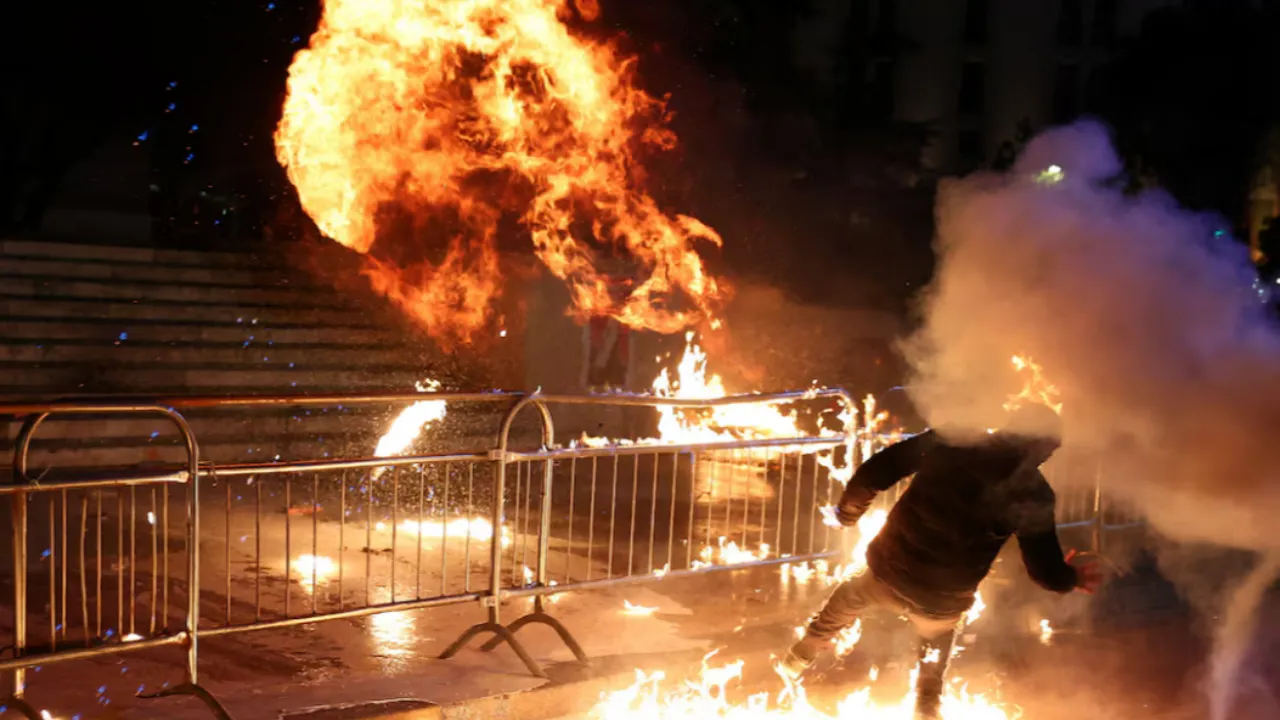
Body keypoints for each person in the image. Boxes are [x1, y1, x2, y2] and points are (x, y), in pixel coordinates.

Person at [779, 404, 1102, 719]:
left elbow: (876, 471)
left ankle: (793, 664)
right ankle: (926, 711)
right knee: (931, 675)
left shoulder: (954, 440)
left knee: (843, 603)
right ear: (1039, 446)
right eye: (1049, 449)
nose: (1048, 457)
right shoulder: (1033, 493)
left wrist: (847, 513)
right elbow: (1044, 571)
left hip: (885, 572)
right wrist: (1070, 578)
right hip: (941, 602)